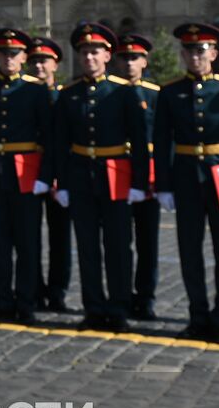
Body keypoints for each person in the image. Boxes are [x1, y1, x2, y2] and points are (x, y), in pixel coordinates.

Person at [153, 23, 219, 343]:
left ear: (213, 53)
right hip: (186, 176)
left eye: (201, 50)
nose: (195, 56)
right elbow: (162, 140)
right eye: (189, 51)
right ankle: (197, 314)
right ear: (182, 54)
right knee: (189, 250)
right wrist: (165, 185)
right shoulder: (170, 92)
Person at [46, 22, 149, 332]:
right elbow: (59, 142)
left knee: (118, 246)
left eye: (95, 52)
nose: (89, 57)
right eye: (84, 52)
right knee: (87, 246)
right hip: (80, 176)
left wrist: (139, 183)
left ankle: (118, 308)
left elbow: (140, 142)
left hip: (116, 174)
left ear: (108, 56)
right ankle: (93, 307)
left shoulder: (123, 92)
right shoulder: (69, 94)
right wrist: (62, 183)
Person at [0, 28, 51, 323]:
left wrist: (45, 175)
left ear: (23, 57)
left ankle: (27, 301)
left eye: (14, 54)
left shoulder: (35, 90)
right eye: (3, 53)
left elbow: (48, 136)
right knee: (1, 241)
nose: (8, 58)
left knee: (27, 243)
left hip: (26, 174)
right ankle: (4, 299)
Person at [114, 34, 162, 321]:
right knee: (119, 240)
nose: (129, 63)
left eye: (135, 57)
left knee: (148, 241)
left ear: (144, 61)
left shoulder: (155, 94)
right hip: (117, 172)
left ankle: (145, 298)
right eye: (124, 57)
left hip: (149, 175)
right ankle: (121, 293)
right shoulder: (110, 93)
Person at [28, 36, 72, 312]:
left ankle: (57, 291)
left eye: (44, 61)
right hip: (29, 174)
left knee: (60, 238)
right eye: (33, 61)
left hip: (59, 175)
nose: (38, 66)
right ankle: (34, 288)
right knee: (29, 236)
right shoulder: (22, 95)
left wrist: (60, 175)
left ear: (55, 63)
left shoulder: (63, 95)